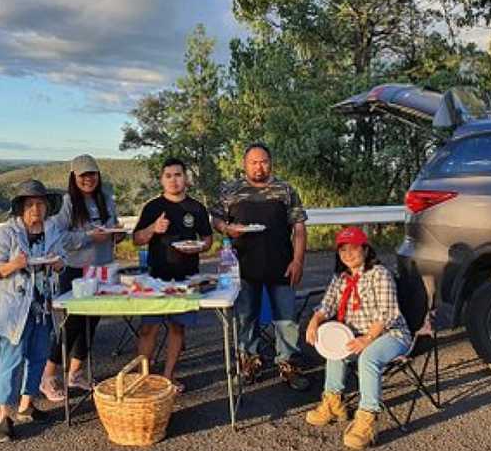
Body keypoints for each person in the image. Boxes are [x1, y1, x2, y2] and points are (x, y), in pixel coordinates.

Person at [0, 179, 95, 443]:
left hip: (43, 306)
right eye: (30, 204)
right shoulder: (7, 233)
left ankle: (26, 405)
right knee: (10, 361)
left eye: (41, 204)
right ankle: (3, 415)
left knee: (37, 357)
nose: (36, 209)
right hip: (14, 308)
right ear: (21, 208)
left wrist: (58, 264)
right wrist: (15, 264)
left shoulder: (51, 231)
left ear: (47, 207)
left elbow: (61, 260)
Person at [211, 142, 309, 390]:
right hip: (243, 265)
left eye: (263, 161)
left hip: (281, 264)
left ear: (270, 163)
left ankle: (289, 365)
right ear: (244, 164)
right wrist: (226, 229)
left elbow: (299, 227)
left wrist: (298, 261)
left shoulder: (285, 189)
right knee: (246, 317)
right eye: (253, 162)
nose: (259, 166)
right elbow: (216, 219)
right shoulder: (231, 190)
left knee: (286, 319)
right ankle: (249, 362)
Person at [304, 226, 412, 451]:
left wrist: (367, 339)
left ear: (365, 249)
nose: (348, 254)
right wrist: (315, 321)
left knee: (368, 357)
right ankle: (334, 402)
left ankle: (367, 418)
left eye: (353, 248)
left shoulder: (379, 274)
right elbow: (328, 305)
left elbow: (387, 313)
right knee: (335, 348)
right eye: (342, 250)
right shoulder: (340, 278)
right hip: (357, 336)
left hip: (390, 334)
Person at [40, 154, 119, 401]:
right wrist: (87, 237)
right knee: (72, 323)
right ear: (74, 177)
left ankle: (76, 373)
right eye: (83, 175)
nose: (88, 179)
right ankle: (48, 375)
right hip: (76, 270)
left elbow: (113, 226)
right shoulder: (68, 203)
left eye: (92, 174)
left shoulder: (105, 199)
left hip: (102, 268)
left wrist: (116, 234)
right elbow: (57, 237)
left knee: (90, 323)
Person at [132, 158, 213, 393]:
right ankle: (142, 378)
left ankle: (169, 377)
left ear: (185, 178)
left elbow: (207, 240)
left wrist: (199, 247)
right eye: (168, 176)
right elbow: (136, 239)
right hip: (156, 278)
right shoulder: (153, 207)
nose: (173, 180)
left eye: (178, 175)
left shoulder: (196, 208)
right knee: (149, 329)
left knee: (178, 328)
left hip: (187, 279)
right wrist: (153, 229)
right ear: (162, 180)